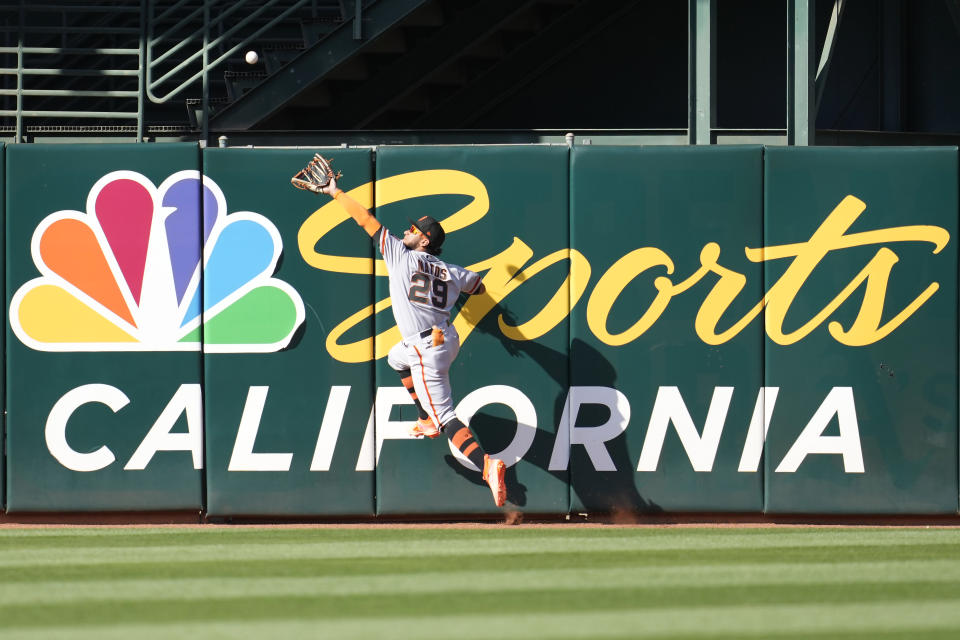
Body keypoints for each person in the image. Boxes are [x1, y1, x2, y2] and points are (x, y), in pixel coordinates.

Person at [314, 174, 506, 508]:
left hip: (426, 348)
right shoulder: (451, 270)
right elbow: (479, 287)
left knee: (447, 417)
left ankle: (487, 464)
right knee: (394, 357)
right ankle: (425, 417)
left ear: (425, 241)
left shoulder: (401, 255)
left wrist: (335, 192)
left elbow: (365, 220)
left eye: (414, 230)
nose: (408, 231)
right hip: (444, 337)